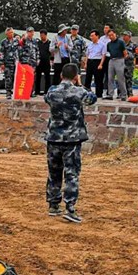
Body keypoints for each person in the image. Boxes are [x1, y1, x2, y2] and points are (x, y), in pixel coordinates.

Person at [44, 63, 98, 223]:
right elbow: (92, 99)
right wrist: (80, 84)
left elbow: (47, 99)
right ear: (76, 76)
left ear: (61, 75)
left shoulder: (52, 91)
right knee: (71, 174)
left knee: (54, 173)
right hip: (72, 140)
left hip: (54, 137)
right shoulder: (79, 92)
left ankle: (53, 205)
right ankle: (70, 208)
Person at [104, 29, 128, 100]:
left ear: (115, 34)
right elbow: (108, 52)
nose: (111, 36)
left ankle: (123, 94)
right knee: (110, 78)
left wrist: (122, 60)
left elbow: (125, 53)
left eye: (112, 35)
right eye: (109, 35)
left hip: (119, 59)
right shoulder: (109, 44)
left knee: (120, 78)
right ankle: (110, 94)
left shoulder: (120, 42)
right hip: (111, 60)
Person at [83, 30, 106, 98]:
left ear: (97, 36)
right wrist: (86, 64)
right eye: (91, 36)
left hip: (97, 61)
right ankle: (86, 93)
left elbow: (103, 55)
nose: (91, 37)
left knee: (98, 79)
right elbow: (87, 54)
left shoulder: (102, 44)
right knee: (88, 78)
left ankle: (99, 94)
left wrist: (101, 64)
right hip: (90, 61)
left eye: (92, 36)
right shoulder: (89, 44)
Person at [0, 27, 20, 98]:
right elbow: (1, 53)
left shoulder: (16, 41)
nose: (12, 34)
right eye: (10, 32)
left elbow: (20, 50)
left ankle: (15, 92)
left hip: (15, 63)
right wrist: (1, 63)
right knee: (8, 78)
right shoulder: (3, 42)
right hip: (7, 63)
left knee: (15, 78)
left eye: (12, 32)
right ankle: (8, 92)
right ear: (7, 34)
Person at [19, 27, 40, 95]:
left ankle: (31, 92)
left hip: (33, 62)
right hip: (25, 61)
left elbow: (37, 51)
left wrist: (38, 59)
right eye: (29, 32)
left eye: (32, 32)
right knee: (25, 77)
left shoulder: (35, 41)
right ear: (27, 32)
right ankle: (25, 92)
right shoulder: (24, 40)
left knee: (32, 77)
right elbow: (20, 47)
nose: (31, 33)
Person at [34, 30, 53, 95]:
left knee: (47, 77)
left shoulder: (49, 43)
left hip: (47, 62)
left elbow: (52, 52)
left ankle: (47, 91)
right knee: (38, 77)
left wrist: (52, 60)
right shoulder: (38, 43)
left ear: (45, 35)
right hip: (39, 62)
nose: (41, 36)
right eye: (40, 35)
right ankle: (37, 91)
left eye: (42, 35)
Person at [122, 31, 138, 97]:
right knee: (121, 79)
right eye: (123, 35)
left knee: (129, 79)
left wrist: (130, 55)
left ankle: (130, 93)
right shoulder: (121, 44)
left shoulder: (134, 44)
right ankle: (121, 93)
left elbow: (137, 55)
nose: (124, 37)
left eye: (125, 35)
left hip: (129, 64)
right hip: (121, 63)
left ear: (129, 37)